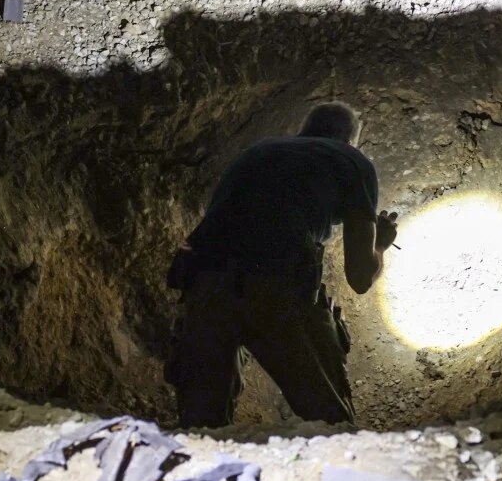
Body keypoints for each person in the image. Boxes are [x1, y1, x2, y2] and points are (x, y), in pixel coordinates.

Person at [165, 101, 398, 427]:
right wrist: (381, 246)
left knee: (201, 430)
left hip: (204, 283)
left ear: (303, 131)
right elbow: (359, 277)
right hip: (275, 285)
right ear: (349, 140)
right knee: (332, 427)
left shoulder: (257, 152)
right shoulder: (352, 161)